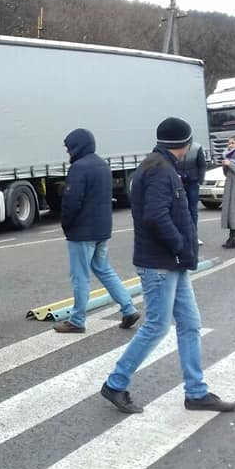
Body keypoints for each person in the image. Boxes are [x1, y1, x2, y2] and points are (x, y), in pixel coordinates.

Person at [101, 117, 235, 415]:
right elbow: (156, 215)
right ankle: (115, 383)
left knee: (190, 324)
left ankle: (196, 392)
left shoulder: (158, 166)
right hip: (161, 263)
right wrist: (179, 247)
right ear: (184, 144)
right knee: (156, 326)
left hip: (170, 263)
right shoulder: (160, 171)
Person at [54, 128, 141, 334]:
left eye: (69, 148)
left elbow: (72, 201)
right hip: (101, 229)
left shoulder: (79, 168)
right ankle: (128, 308)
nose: (68, 152)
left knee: (80, 276)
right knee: (104, 269)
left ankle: (77, 320)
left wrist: (66, 224)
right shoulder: (102, 165)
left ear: (77, 146)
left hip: (82, 231)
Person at [179, 139, 207, 242]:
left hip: (193, 183)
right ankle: (182, 235)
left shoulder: (196, 147)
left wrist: (200, 179)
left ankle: (194, 235)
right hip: (179, 182)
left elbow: (202, 164)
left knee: (193, 209)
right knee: (180, 209)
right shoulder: (176, 148)